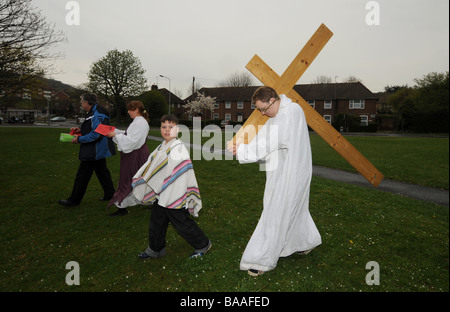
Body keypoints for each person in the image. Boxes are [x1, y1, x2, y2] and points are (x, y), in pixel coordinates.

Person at [228, 86, 321, 276]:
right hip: (281, 171)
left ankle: (261, 259)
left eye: (264, 108)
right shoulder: (274, 116)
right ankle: (305, 241)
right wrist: (243, 146)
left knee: (276, 211)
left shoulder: (291, 111)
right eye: (260, 110)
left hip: (293, 174)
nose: (263, 113)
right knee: (293, 210)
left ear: (273, 100)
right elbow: (262, 137)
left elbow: (272, 141)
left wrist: (243, 151)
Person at [132, 114, 211, 259]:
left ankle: (203, 244)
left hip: (175, 193)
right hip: (162, 194)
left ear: (177, 129)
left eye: (171, 127)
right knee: (157, 222)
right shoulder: (162, 146)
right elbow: (154, 166)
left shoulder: (178, 148)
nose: (167, 130)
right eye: (164, 127)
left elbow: (180, 173)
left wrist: (171, 190)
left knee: (182, 223)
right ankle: (155, 249)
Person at [58, 93, 116, 207]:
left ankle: (74, 201)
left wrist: (79, 139)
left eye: (82, 101)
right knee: (102, 172)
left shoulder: (97, 113)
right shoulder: (94, 112)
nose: (80, 103)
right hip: (97, 149)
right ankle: (110, 194)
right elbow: (93, 129)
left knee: (83, 175)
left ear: (87, 102)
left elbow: (97, 135)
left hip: (94, 150)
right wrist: (80, 130)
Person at [106, 101, 150, 216]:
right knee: (137, 179)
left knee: (127, 180)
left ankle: (122, 207)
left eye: (130, 109)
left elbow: (132, 141)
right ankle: (150, 201)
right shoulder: (138, 121)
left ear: (136, 110)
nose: (128, 111)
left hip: (135, 155)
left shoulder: (140, 122)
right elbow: (129, 136)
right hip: (137, 153)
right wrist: (116, 132)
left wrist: (115, 135)